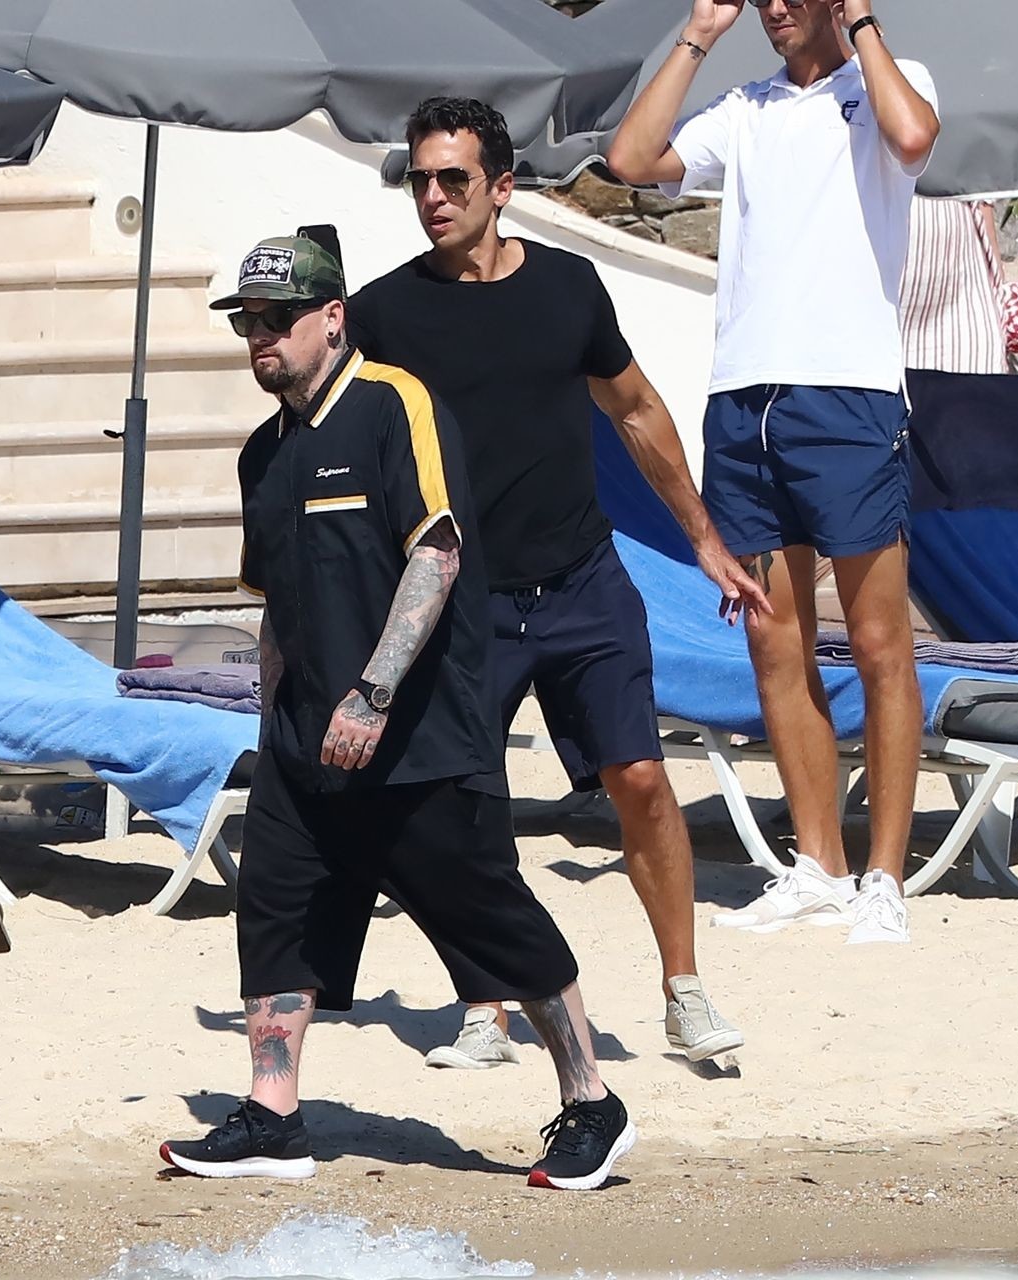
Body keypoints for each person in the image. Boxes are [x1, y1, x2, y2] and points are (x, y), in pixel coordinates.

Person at [159, 238, 633, 1191]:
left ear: (333, 317)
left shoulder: (391, 403)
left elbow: (437, 552)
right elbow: (277, 607)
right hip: (304, 740)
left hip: (417, 733)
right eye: (248, 322)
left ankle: (591, 1100)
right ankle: (273, 1116)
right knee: (275, 912)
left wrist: (373, 693)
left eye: (278, 318)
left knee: (482, 912)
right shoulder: (263, 455)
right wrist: (273, 729)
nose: (260, 337)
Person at [346, 98, 761, 1069]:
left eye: (453, 179)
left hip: (582, 580)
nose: (434, 196)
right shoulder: (384, 312)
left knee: (642, 777)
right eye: (420, 180)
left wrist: (704, 539)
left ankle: (684, 991)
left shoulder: (569, 287)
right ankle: (484, 1007)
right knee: (464, 800)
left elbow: (638, 411)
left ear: (502, 187)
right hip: (464, 600)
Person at [607, 0, 940, 944]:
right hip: (743, 394)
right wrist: (699, 32)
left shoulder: (888, 82)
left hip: (851, 395)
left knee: (878, 641)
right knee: (772, 640)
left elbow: (914, 138)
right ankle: (819, 867)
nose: (775, 9)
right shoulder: (744, 107)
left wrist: (861, 20)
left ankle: (884, 878)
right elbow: (631, 160)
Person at [901, 198, 1008, 376]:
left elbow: (981, 194)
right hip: (881, 302)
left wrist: (998, 287)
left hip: (963, 290)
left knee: (979, 381)